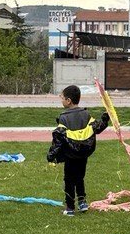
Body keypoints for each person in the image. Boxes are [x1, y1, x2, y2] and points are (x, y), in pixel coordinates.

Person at [46, 84, 110, 215]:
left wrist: (51, 155)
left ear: (68, 101)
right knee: (80, 178)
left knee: (69, 180)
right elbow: (97, 128)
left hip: (70, 155)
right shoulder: (86, 114)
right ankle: (82, 203)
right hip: (83, 154)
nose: (61, 100)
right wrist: (105, 119)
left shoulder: (64, 117)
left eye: (62, 98)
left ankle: (70, 208)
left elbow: (59, 139)